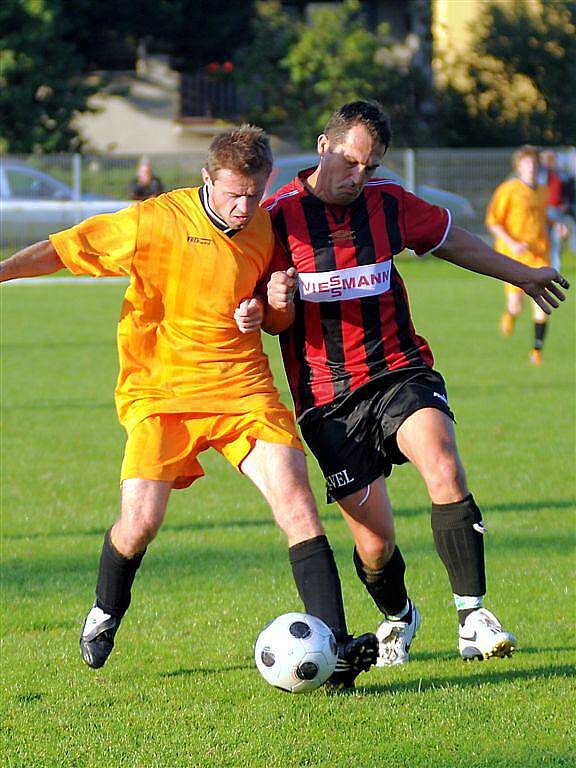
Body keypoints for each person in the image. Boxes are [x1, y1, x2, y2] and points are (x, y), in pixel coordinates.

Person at [0, 125, 378, 691]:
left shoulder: (264, 228)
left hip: (242, 388)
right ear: (207, 178)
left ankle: (336, 652)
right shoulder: (154, 221)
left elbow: (276, 315)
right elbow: (61, 248)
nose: (243, 206)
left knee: (297, 501)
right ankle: (106, 610)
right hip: (161, 393)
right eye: (232, 194)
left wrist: (268, 309)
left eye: (254, 193)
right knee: (140, 524)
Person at [248, 101, 568, 668]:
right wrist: (274, 305)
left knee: (442, 461)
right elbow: (265, 318)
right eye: (350, 162)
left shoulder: (388, 204)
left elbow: (453, 240)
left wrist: (523, 274)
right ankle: (399, 616)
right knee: (374, 546)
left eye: (369, 168)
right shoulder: (276, 219)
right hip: (326, 400)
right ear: (324, 145)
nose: (358, 178)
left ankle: (472, 616)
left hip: (399, 370)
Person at [487, 145, 568, 365]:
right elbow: (493, 222)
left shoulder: (542, 190)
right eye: (526, 163)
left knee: (542, 302)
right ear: (518, 166)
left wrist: (557, 225)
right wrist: (512, 243)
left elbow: (542, 218)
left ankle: (537, 350)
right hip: (513, 256)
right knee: (516, 305)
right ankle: (510, 316)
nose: (530, 167)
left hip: (539, 254)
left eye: (533, 163)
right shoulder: (508, 190)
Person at [539, 149, 570, 273]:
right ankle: (544, 265)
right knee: (544, 240)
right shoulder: (540, 175)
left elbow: (568, 192)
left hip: (557, 211)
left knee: (557, 241)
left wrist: (566, 204)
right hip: (544, 211)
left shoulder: (561, 175)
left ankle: (555, 268)